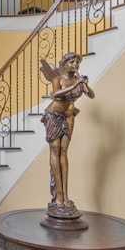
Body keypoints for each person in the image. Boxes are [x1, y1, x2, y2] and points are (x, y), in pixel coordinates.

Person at [40, 52, 95, 216]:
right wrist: (74, 85)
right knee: (55, 149)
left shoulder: (81, 80)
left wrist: (84, 84)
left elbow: (91, 95)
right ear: (65, 64)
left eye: (78, 62)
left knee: (64, 151)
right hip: (53, 116)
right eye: (72, 61)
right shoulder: (59, 80)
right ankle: (59, 197)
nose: (75, 65)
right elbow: (56, 95)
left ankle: (66, 195)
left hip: (69, 115)